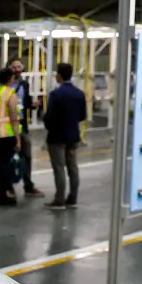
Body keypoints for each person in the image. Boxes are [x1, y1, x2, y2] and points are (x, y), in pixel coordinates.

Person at [43, 62, 88, 211]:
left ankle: (59, 200)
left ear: (59, 76)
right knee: (73, 168)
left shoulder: (56, 94)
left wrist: (47, 124)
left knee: (59, 168)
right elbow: (82, 116)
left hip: (56, 137)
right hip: (73, 136)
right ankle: (73, 198)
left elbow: (49, 117)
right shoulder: (79, 94)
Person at [7, 57, 44, 197]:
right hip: (8, 124)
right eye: (14, 66)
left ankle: (28, 185)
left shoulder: (24, 84)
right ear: (9, 68)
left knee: (27, 155)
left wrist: (33, 105)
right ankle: (9, 186)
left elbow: (26, 101)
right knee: (9, 157)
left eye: (19, 66)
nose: (17, 69)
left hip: (21, 123)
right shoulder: (5, 85)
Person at [0, 68, 21, 207]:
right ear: (10, 79)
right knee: (4, 166)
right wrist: (18, 138)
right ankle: (1, 195)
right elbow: (13, 117)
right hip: (6, 134)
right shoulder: (10, 94)